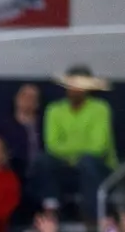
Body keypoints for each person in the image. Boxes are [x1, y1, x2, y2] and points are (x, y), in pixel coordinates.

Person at [37, 66, 117, 220]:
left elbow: (98, 147)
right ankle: (51, 209)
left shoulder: (101, 108)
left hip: (99, 168)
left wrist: (68, 150)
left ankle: (91, 217)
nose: (76, 89)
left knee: (87, 162)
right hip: (66, 167)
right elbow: (51, 145)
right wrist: (77, 152)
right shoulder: (54, 110)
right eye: (72, 84)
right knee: (43, 161)